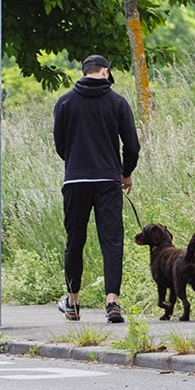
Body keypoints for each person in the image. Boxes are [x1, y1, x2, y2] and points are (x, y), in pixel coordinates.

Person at [52, 53, 141, 323]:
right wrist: (125, 173)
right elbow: (132, 146)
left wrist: (77, 164)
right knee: (111, 241)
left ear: (84, 72)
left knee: (75, 241)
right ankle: (112, 303)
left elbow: (60, 144)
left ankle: (73, 302)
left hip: (75, 180)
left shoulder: (65, 102)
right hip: (107, 181)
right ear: (106, 72)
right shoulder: (117, 102)